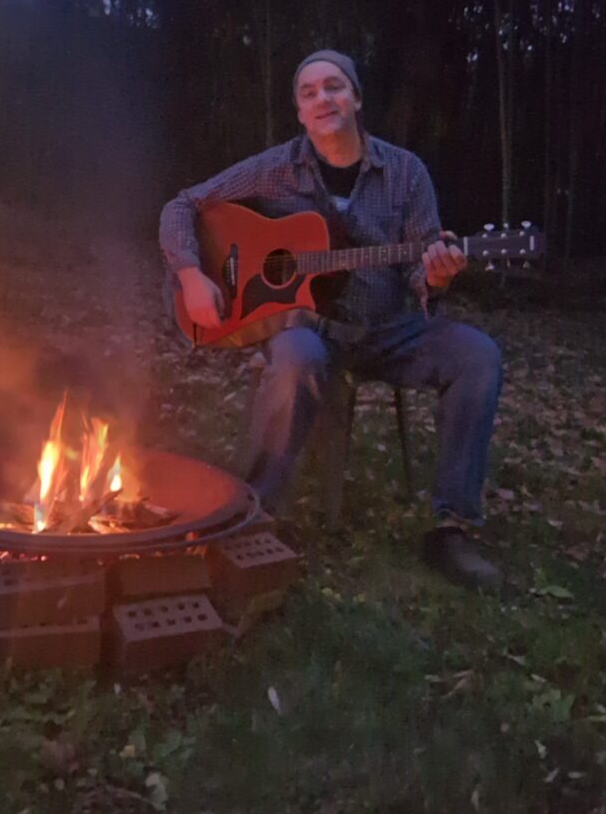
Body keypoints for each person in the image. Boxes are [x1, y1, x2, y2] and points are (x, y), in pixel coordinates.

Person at [159, 50, 503, 590]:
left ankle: (452, 528)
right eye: (309, 92)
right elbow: (182, 205)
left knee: (478, 355)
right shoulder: (276, 168)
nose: (323, 99)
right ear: (300, 112)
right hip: (305, 329)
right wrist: (191, 274)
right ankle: (253, 515)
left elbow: (420, 269)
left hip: (387, 329)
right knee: (297, 357)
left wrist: (435, 276)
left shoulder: (406, 172)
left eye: (335, 87)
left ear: (357, 99)